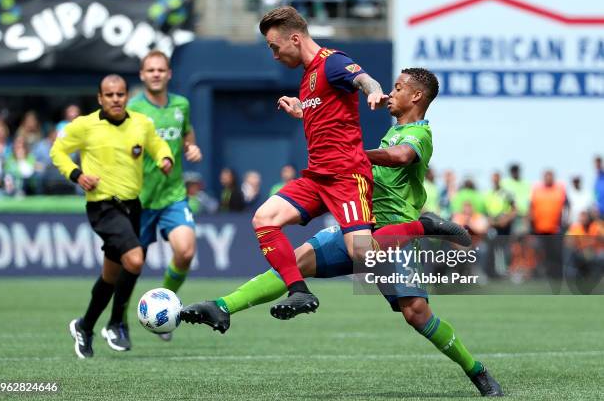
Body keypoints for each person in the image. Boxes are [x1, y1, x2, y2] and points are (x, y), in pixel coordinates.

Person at [182, 68, 502, 397]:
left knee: (416, 314)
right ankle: (222, 306)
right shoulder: (393, 131)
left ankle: (476, 370)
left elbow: (400, 157)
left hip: (394, 236)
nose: (391, 93)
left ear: (416, 96)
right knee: (294, 262)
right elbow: (338, 132)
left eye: (398, 88)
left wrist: (354, 156)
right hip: (360, 224)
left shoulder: (418, 134)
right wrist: (306, 114)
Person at [252, 7, 452, 319]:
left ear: (294, 38)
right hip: (318, 176)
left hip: (345, 177)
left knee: (362, 254)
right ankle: (299, 291)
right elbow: (327, 119)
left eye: (274, 47)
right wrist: (303, 110)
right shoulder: (307, 80)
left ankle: (421, 226)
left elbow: (364, 79)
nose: (274, 55)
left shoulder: (332, 61)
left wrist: (373, 92)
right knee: (264, 218)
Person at [50, 74, 173, 358]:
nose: (115, 99)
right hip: (103, 206)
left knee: (111, 274)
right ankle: (117, 323)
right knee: (135, 259)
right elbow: (59, 151)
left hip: (132, 207)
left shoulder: (141, 123)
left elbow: (156, 144)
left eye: (120, 94)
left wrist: (165, 158)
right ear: (100, 98)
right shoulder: (85, 125)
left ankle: (85, 326)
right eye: (109, 95)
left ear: (127, 96)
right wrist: (77, 174)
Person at [127, 50, 202, 341]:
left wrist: (191, 148)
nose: (156, 74)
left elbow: (187, 135)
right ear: (142, 75)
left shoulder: (181, 104)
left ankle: (165, 307)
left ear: (169, 74)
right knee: (130, 266)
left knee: (185, 251)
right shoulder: (133, 109)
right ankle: (117, 320)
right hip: (140, 198)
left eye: (161, 69)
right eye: (151, 70)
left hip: (173, 195)